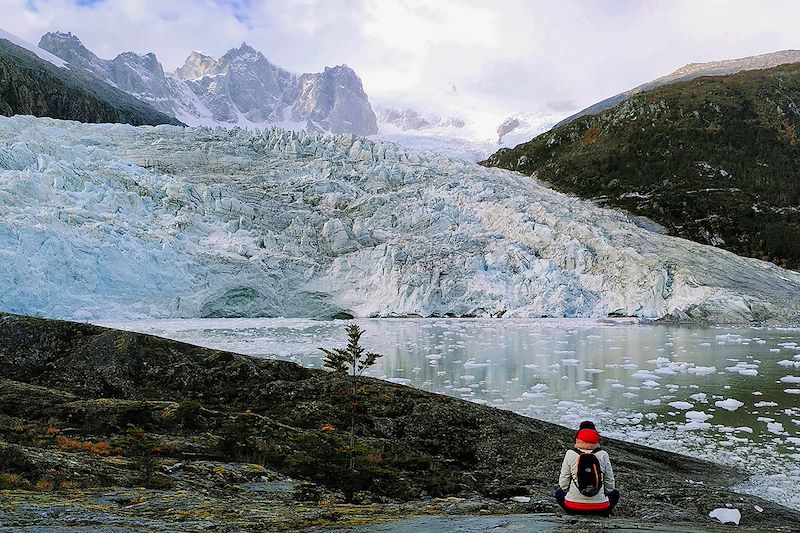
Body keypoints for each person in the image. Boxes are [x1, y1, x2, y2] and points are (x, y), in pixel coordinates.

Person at [555, 425, 620, 516]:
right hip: (600, 508)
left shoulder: (570, 454)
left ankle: (572, 512)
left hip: (573, 507)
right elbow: (610, 485)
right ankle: (604, 513)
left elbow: (563, 484)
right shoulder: (603, 454)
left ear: (578, 440)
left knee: (558, 493)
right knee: (615, 494)